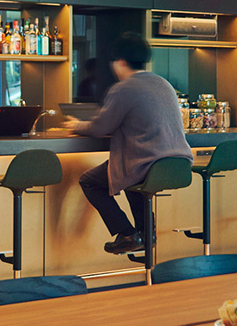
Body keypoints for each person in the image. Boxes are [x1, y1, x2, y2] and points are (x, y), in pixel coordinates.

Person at [65, 33, 192, 255]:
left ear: (120, 61)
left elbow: (99, 127)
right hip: (176, 164)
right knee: (131, 174)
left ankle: (127, 234)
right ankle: (145, 235)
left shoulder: (123, 88)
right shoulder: (164, 84)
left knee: (91, 181)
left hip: (147, 164)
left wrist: (76, 125)